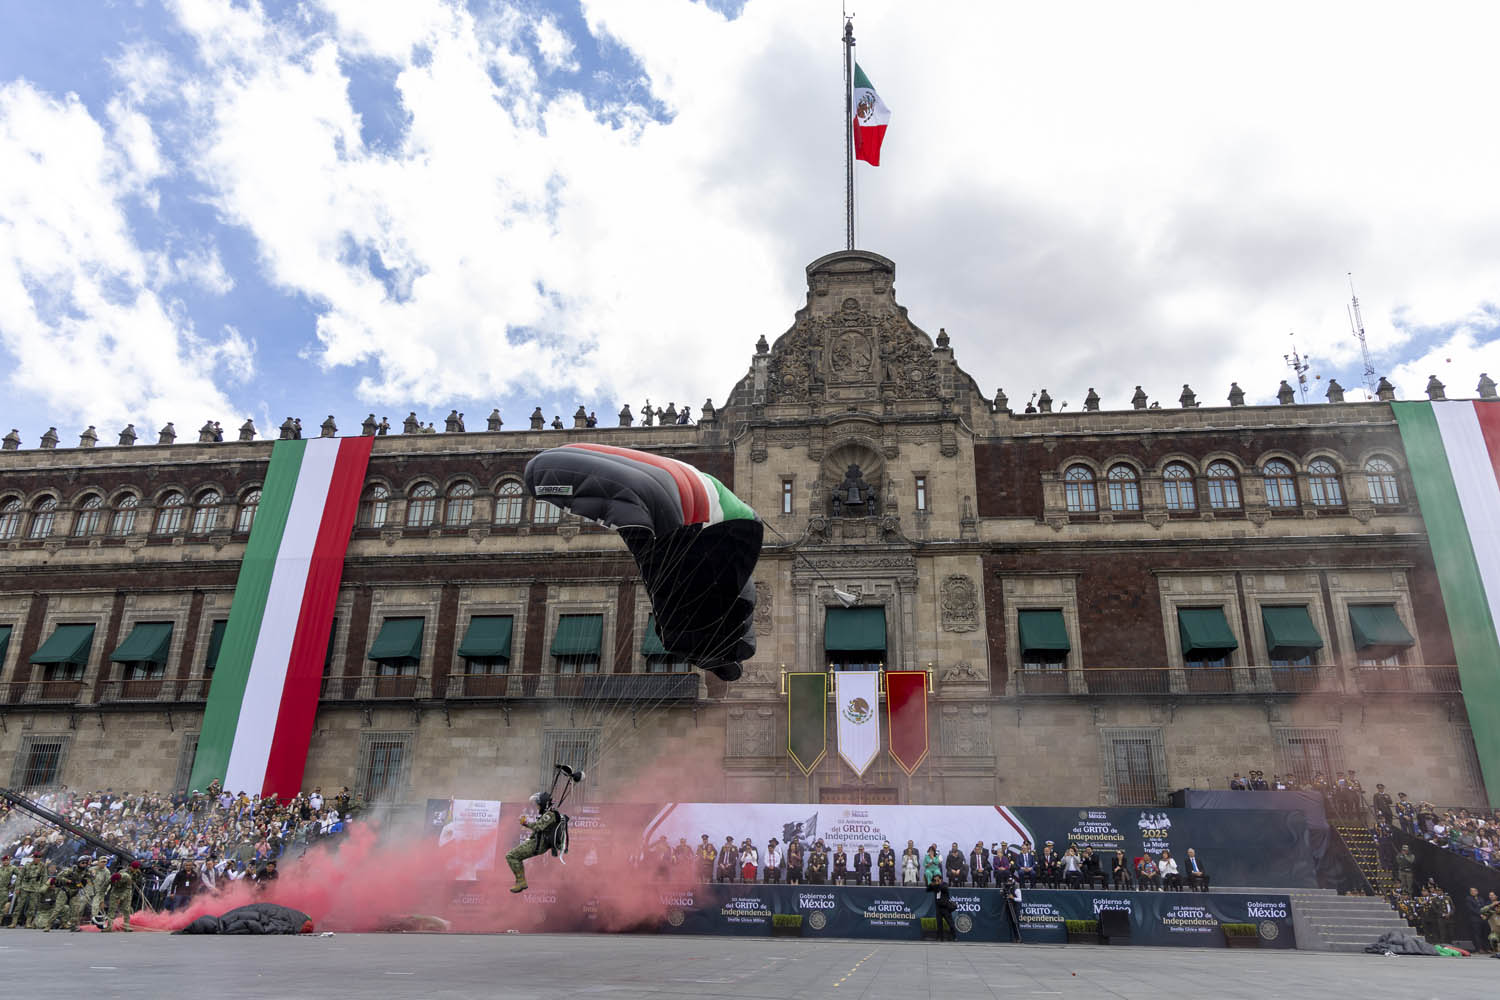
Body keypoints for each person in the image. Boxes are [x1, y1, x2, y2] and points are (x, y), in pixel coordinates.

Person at [504, 791, 560, 893]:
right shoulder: (547, 813)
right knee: (514, 856)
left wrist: (525, 823)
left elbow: (538, 827)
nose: (537, 807)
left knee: (511, 856)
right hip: (536, 841)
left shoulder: (550, 814)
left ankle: (521, 882)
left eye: (538, 804)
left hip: (539, 844)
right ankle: (520, 882)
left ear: (543, 804)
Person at [927, 874, 958, 942]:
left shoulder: (944, 884)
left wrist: (938, 884)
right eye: (935, 879)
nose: (936, 881)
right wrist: (932, 883)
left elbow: (944, 889)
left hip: (945, 907)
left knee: (950, 923)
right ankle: (939, 938)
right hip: (938, 908)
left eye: (937, 879)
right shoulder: (935, 886)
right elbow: (928, 889)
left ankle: (954, 937)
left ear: (941, 879)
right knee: (939, 924)